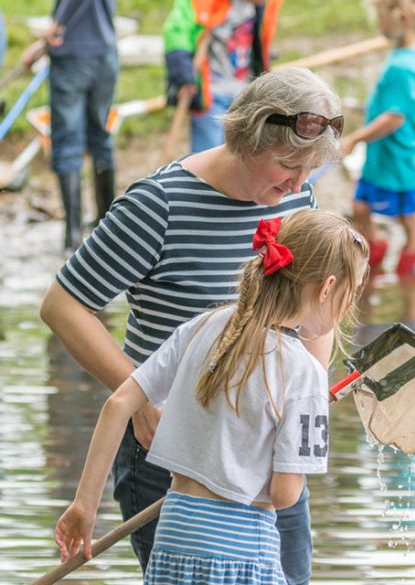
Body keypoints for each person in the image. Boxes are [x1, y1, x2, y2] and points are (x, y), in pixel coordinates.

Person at [40, 66, 344, 584]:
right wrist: (142, 403)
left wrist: (311, 385)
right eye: (289, 163)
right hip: (170, 447)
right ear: (247, 136)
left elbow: (315, 309)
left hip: (270, 449)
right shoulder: (158, 204)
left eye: (310, 169)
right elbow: (63, 305)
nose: (298, 181)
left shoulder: (297, 200)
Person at [53, 208, 369, 584]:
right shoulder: (305, 373)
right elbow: (285, 494)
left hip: (175, 535)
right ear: (328, 287)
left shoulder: (204, 325)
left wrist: (84, 505)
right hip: (241, 551)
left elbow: (118, 405)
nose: (348, 309)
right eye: (351, 294)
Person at [340, 0, 415, 277]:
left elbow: (394, 118)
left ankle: (409, 272)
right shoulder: (411, 53)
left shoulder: (404, 67)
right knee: (362, 206)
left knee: (409, 216)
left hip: (398, 157)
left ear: (402, 17)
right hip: (386, 156)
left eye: (381, 17)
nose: (379, 24)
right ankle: (375, 252)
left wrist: (356, 138)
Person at [23, 0, 123, 253]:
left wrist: (56, 26)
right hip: (106, 54)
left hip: (73, 59)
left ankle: (72, 238)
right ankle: (106, 228)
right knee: (100, 138)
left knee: (67, 142)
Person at [163, 0, 293, 153]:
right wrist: (182, 74)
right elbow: (176, 33)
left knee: (243, 151)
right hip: (209, 92)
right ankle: (205, 186)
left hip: (243, 90)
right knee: (209, 152)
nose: (260, 0)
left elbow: (259, 38)